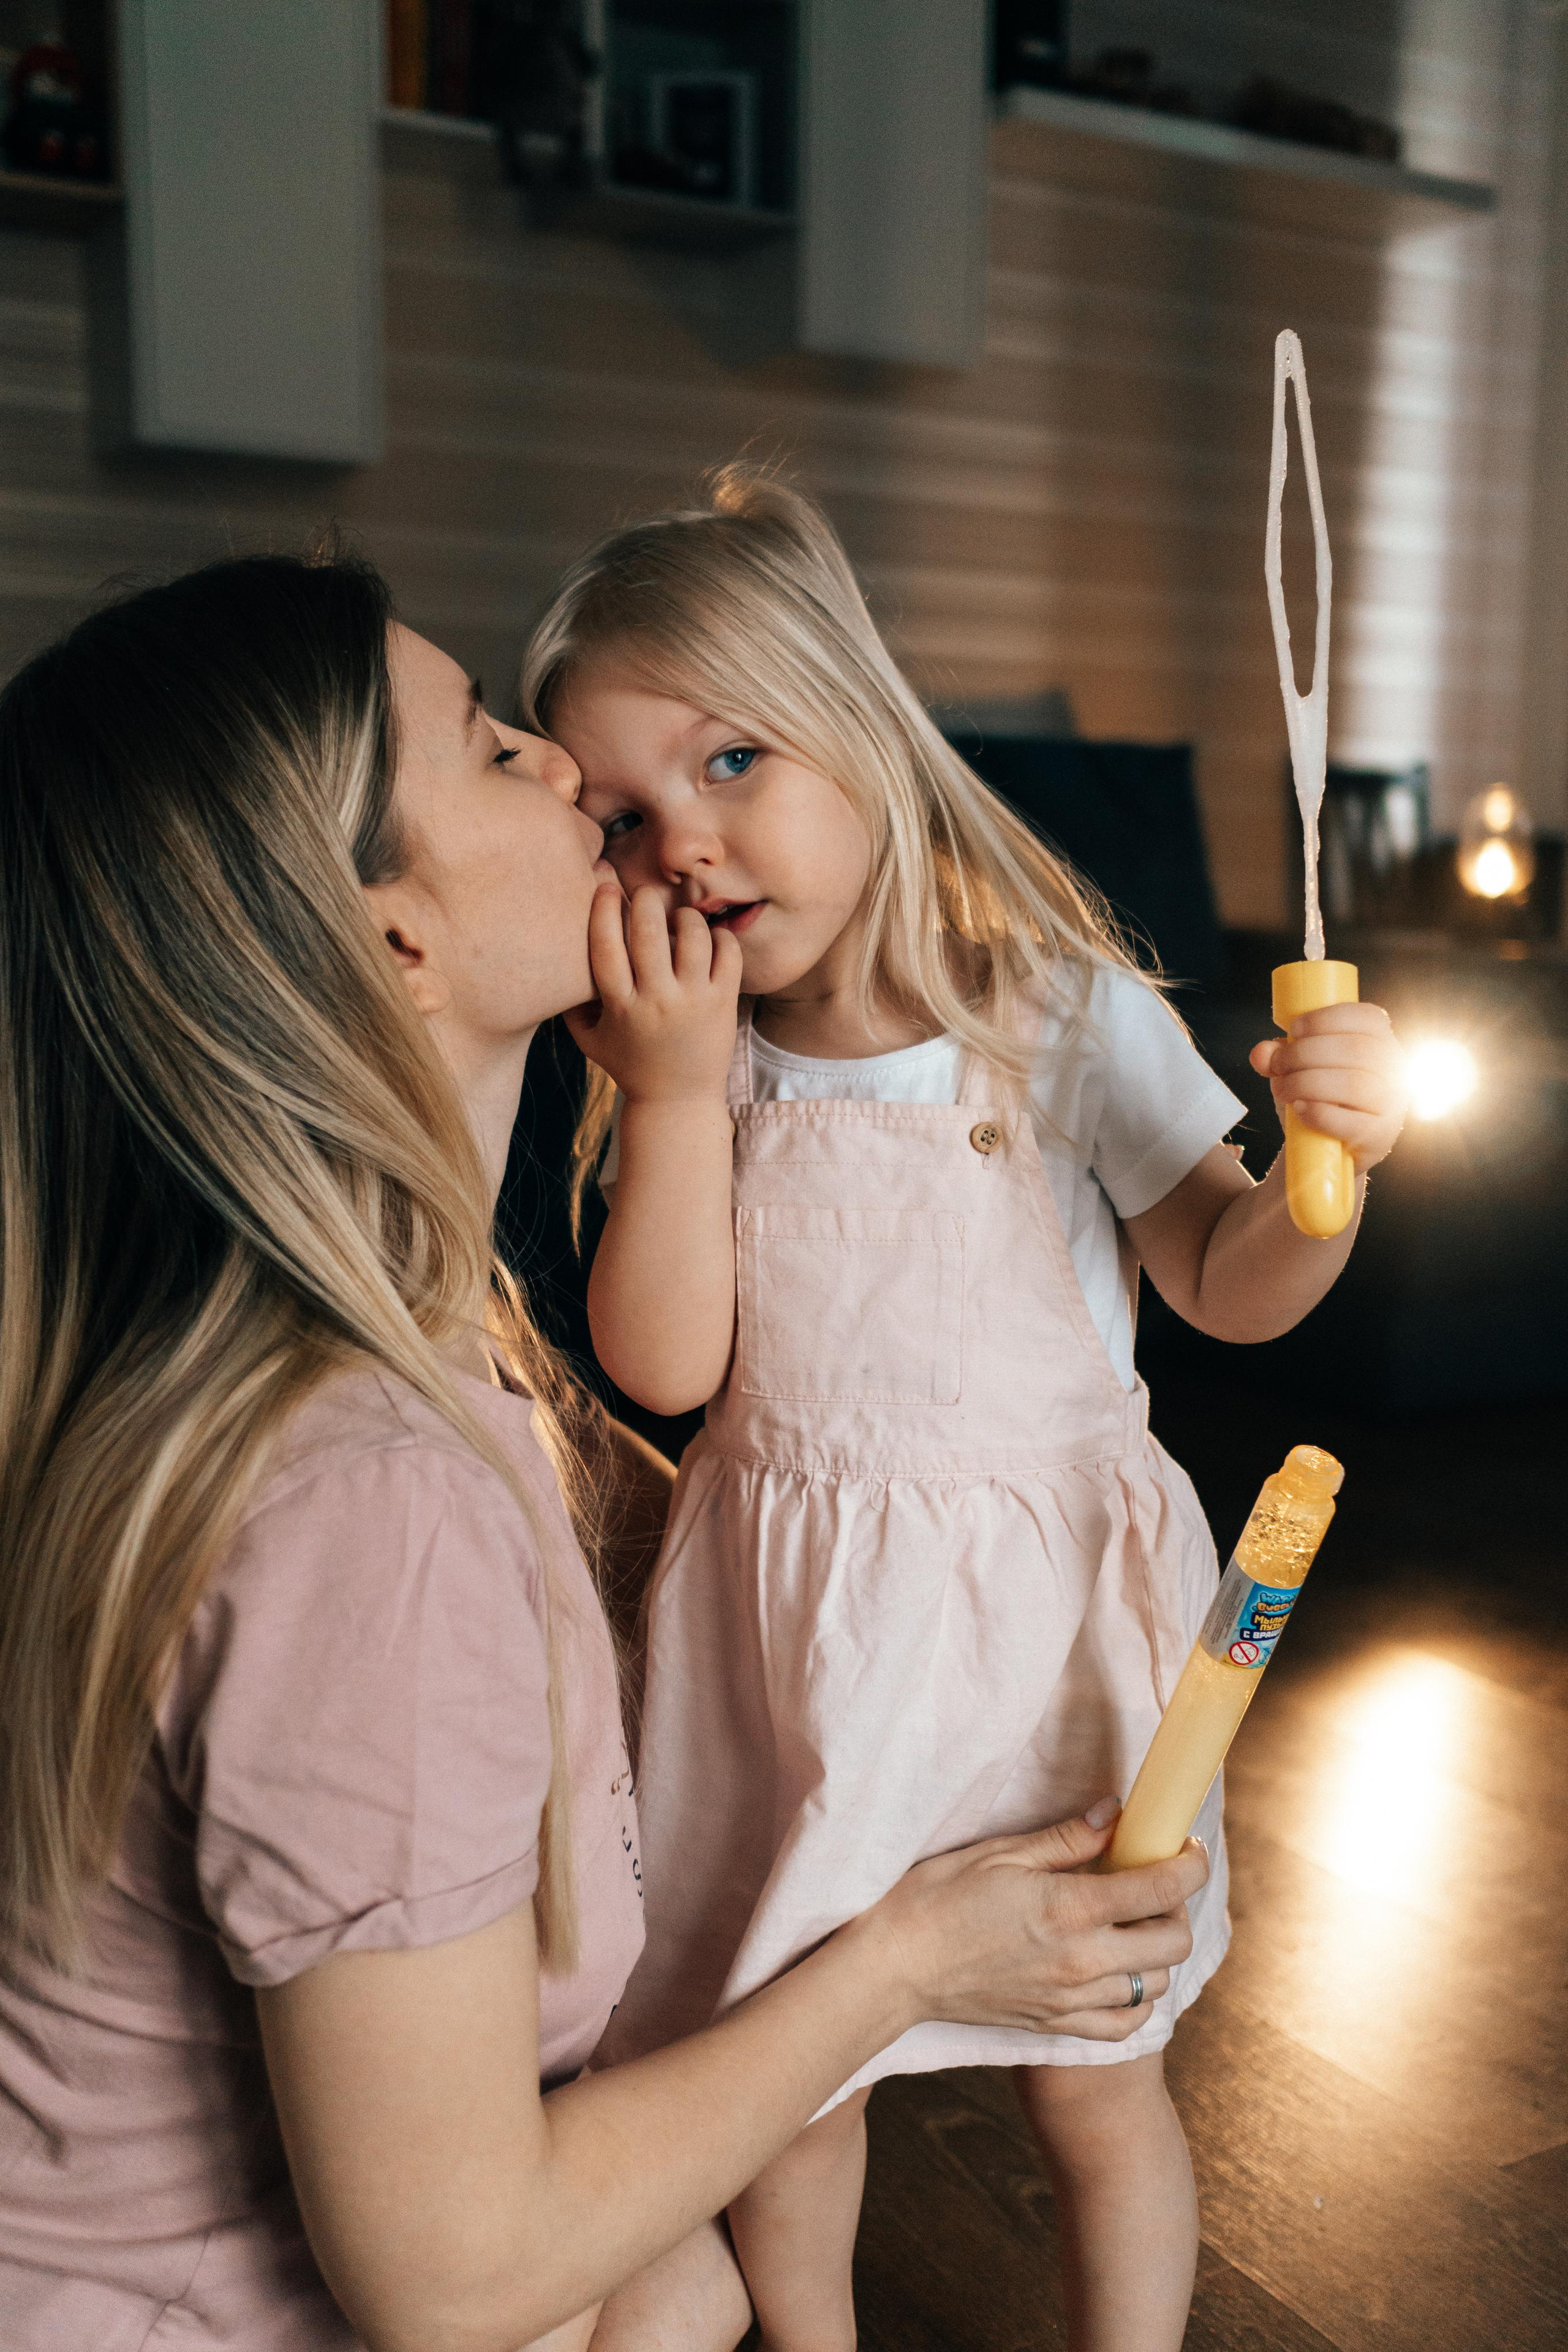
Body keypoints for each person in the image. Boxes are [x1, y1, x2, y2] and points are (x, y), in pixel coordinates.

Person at [0, 549, 1210, 2352]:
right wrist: (909, 1962)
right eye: (500, 749)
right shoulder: (371, 1507)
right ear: (395, 945)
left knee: (686, 2280)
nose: (575, 773)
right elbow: (454, 2278)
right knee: (683, 2281)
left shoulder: (397, 1359)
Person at [524, 470, 1411, 2352]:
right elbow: (667, 1371)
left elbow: (1226, 1281)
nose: (684, 844)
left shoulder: (1050, 1005)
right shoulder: (692, 1055)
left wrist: (1325, 1178)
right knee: (794, 2084)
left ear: (859, 725)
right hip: (797, 1648)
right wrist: (671, 1100)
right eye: (622, 813)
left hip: (1042, 1637)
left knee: (1094, 2078)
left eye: (732, 759)